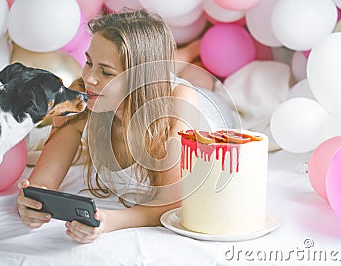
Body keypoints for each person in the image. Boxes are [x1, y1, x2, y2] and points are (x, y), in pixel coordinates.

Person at [16, 9, 203, 244]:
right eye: (89, 62)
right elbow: (43, 182)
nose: (89, 78)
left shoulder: (179, 104)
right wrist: (32, 203)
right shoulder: (82, 95)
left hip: (187, 104)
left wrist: (107, 221)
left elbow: (171, 203)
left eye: (105, 71)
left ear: (139, 78)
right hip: (146, 91)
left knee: (200, 78)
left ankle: (194, 50)